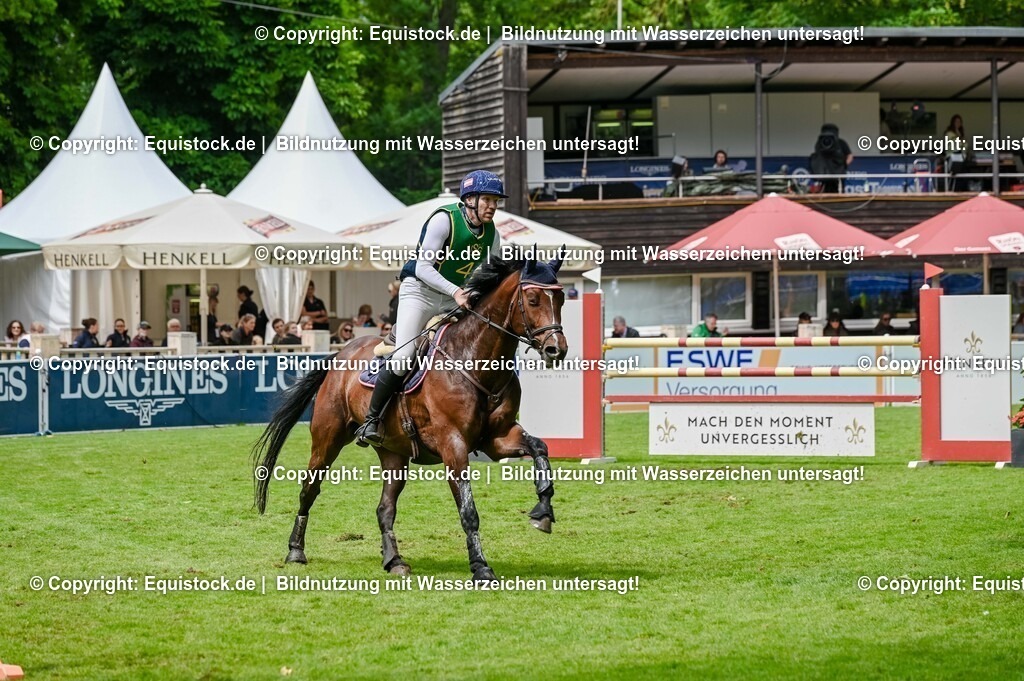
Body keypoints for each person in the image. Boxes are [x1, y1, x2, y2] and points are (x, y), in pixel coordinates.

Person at [355, 169, 506, 447]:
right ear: (470, 199)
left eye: (496, 201)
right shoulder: (444, 219)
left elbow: (491, 275)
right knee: (403, 358)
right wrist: (457, 291)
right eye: (487, 199)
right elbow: (424, 267)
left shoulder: (491, 234)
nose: (493, 206)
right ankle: (371, 420)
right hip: (419, 292)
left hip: (452, 297)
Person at [809, 123, 853, 193]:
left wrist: (843, 165)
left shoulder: (841, 142)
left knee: (840, 193)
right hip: (823, 173)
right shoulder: (820, 143)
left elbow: (850, 156)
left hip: (837, 174)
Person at [944, 114, 971, 191]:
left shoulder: (961, 133)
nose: (958, 123)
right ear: (953, 122)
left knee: (964, 173)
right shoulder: (949, 133)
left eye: (959, 122)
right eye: (956, 122)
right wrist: (961, 141)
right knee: (956, 174)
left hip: (962, 158)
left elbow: (966, 146)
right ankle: (954, 189)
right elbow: (956, 145)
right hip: (952, 158)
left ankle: (962, 189)